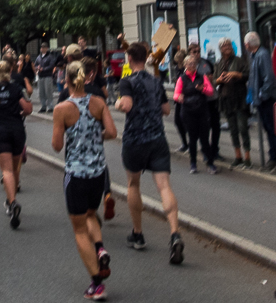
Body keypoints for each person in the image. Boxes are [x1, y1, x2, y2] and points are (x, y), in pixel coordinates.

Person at [52, 61, 118, 301]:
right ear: (86, 78)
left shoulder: (61, 109)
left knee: (79, 229)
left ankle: (96, 283)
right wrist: (94, 136)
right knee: (91, 213)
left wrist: (71, 136)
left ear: (66, 80)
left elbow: (57, 146)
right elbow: (112, 133)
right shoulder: (99, 102)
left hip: (76, 174)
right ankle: (100, 247)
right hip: (98, 173)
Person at [115, 42, 184, 263]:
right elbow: (166, 110)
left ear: (128, 59)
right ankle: (174, 234)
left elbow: (125, 105)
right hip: (157, 138)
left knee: (133, 184)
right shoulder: (156, 81)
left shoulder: (127, 81)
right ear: (145, 58)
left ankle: (138, 234)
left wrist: (117, 103)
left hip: (135, 139)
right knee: (164, 186)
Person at [0, 61, 32, 229]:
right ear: (9, 72)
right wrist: (21, 112)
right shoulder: (16, 88)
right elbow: (28, 108)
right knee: (15, 168)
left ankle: (12, 202)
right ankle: (12, 197)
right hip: (17, 130)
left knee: (6, 170)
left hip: (0, 131)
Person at [246, 32, 276, 174]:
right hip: (261, 99)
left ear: (247, 44)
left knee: (275, 130)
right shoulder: (255, 55)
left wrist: (262, 94)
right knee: (269, 130)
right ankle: (273, 158)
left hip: (267, 99)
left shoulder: (261, 55)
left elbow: (269, 77)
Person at [173, 50, 216, 174]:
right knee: (192, 139)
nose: (192, 65)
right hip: (188, 111)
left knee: (204, 138)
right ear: (185, 65)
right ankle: (193, 163)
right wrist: (179, 97)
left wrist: (203, 89)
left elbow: (210, 91)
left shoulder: (202, 77)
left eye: (194, 63)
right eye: (189, 63)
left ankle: (210, 163)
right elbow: (176, 93)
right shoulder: (182, 79)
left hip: (202, 110)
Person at [215, 38, 252, 168]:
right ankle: (238, 156)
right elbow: (214, 81)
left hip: (240, 98)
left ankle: (247, 157)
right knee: (233, 129)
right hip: (226, 100)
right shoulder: (219, 63)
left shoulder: (239, 60)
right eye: (224, 46)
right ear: (220, 49)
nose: (227, 47)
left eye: (229, 45)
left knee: (243, 128)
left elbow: (248, 75)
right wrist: (219, 80)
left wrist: (236, 74)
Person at [187, 43, 223, 161]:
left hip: (211, 98)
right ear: (190, 53)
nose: (197, 54)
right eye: (194, 52)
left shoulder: (206, 63)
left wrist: (211, 79)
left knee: (216, 126)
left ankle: (215, 150)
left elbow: (214, 77)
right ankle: (205, 151)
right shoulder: (188, 65)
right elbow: (186, 83)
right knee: (204, 128)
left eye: (198, 51)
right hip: (199, 101)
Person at [170, 49, 189, 152]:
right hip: (178, 99)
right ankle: (184, 143)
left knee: (187, 121)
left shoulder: (187, 69)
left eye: (179, 61)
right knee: (178, 121)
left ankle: (190, 144)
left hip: (186, 99)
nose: (178, 63)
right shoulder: (177, 68)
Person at [34, 43, 58, 113]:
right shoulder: (38, 57)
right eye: (42, 47)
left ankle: (50, 106)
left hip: (47, 75)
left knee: (48, 91)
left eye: (44, 47)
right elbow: (35, 64)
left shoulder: (50, 57)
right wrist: (37, 67)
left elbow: (51, 66)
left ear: (47, 48)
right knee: (41, 92)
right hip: (41, 76)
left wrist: (43, 69)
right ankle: (43, 106)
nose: (42, 49)